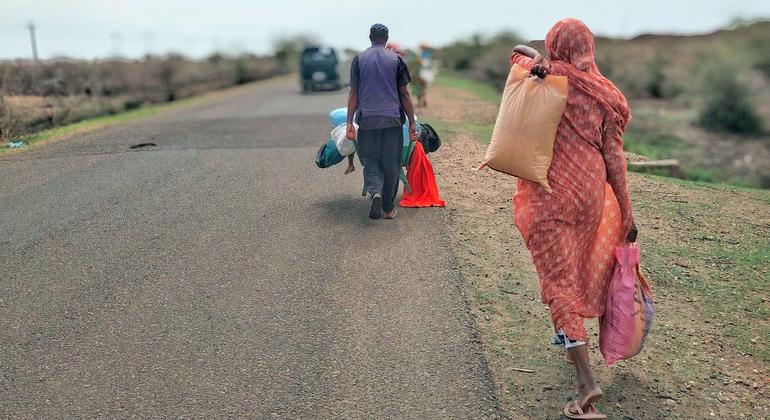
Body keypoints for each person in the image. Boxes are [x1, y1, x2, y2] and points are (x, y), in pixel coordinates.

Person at [509, 18, 638, 419]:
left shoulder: (545, 75)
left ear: (554, 45)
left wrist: (537, 57)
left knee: (557, 282)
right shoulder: (604, 92)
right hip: (590, 196)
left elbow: (516, 52)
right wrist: (627, 212)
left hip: (548, 195)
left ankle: (587, 385)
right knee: (572, 269)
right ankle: (569, 341)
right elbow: (615, 159)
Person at [346, 24, 418, 220]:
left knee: (370, 159)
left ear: (370, 37)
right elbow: (404, 93)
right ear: (386, 38)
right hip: (392, 120)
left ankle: (375, 191)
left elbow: (354, 93)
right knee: (391, 162)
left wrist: (349, 122)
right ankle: (387, 208)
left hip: (367, 119)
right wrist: (412, 122)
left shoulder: (358, 60)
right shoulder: (397, 60)